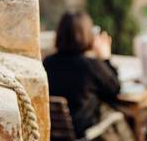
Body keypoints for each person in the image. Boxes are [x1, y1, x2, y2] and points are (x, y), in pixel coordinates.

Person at [43, 11, 134, 141]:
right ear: (87, 35)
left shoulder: (47, 63)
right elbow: (115, 89)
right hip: (85, 135)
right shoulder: (90, 66)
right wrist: (106, 57)